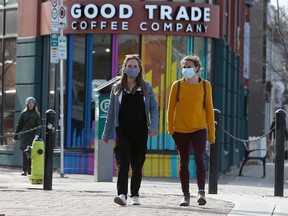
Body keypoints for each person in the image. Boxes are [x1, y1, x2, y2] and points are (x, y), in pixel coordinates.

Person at [101, 54, 159, 206]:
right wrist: (106, 134)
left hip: (141, 132)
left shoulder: (146, 87)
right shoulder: (117, 88)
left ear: (139, 69)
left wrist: (153, 127)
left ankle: (135, 195)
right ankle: (122, 195)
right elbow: (111, 113)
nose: (132, 69)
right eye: (129, 66)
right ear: (124, 69)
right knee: (123, 163)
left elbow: (154, 108)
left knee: (137, 164)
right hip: (123, 132)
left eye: (135, 66)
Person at [167, 55, 215, 206]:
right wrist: (171, 130)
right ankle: (185, 195)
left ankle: (201, 193)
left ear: (197, 68)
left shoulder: (205, 85)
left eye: (189, 67)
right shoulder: (177, 85)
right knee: (184, 162)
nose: (186, 69)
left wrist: (211, 134)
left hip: (199, 129)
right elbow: (171, 109)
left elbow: (209, 110)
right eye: (184, 67)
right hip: (180, 130)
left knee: (200, 159)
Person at [14, 97, 41, 176]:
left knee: (31, 153)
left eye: (32, 103)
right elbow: (19, 125)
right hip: (24, 136)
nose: (31, 104)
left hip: (32, 136)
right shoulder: (23, 114)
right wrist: (15, 136)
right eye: (29, 103)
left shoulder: (36, 114)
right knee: (24, 153)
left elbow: (38, 126)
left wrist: (37, 135)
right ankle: (24, 170)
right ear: (27, 104)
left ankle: (30, 170)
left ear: (34, 104)